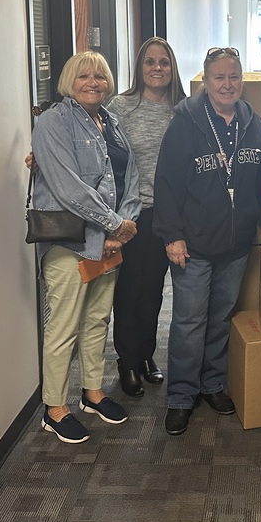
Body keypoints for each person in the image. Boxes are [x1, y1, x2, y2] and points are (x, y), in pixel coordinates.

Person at [153, 47, 261, 435]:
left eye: (234, 77)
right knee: (188, 322)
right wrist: (172, 236)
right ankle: (181, 396)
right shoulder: (187, 123)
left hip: (235, 246)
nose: (227, 84)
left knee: (220, 318)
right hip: (192, 245)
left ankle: (213, 383)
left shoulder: (253, 126)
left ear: (242, 80)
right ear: (206, 81)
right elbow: (167, 184)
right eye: (219, 77)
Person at [31, 51, 142, 444]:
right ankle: (54, 408)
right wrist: (114, 223)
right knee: (62, 327)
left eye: (100, 76)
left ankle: (92, 394)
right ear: (68, 81)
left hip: (109, 243)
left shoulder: (109, 122)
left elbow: (130, 176)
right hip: (71, 243)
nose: (93, 82)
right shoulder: (52, 122)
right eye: (84, 76)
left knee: (97, 320)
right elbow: (66, 187)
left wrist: (123, 227)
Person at [107, 37, 187, 398]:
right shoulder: (121, 107)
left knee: (154, 290)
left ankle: (146, 356)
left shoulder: (183, 109)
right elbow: (90, 147)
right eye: (150, 62)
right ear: (139, 68)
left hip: (167, 214)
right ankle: (126, 361)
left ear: (173, 68)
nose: (157, 68)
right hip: (131, 215)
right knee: (129, 291)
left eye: (164, 62)